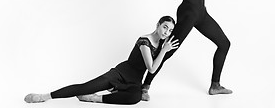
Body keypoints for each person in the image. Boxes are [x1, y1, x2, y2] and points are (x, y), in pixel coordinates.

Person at [24, 16, 179, 105]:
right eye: (165, 27)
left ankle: (96, 99)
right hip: (119, 74)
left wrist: (164, 49)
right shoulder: (144, 41)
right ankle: (44, 96)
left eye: (170, 30)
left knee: (135, 98)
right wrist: (164, 51)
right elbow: (151, 68)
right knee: (85, 87)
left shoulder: (161, 44)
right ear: (158, 25)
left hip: (134, 82)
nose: (167, 32)